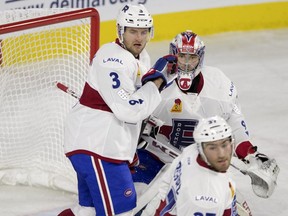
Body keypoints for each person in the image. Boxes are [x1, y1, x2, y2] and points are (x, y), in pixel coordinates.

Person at [133, 30, 279, 213]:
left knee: (236, 211)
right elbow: (133, 119)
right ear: (173, 56)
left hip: (200, 164)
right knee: (137, 201)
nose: (186, 63)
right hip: (157, 158)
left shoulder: (219, 85)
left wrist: (250, 154)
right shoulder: (158, 86)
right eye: (181, 57)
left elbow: (234, 124)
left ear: (200, 59)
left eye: (191, 57)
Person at [58, 4, 178, 216]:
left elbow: (137, 100)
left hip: (101, 145)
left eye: (144, 31)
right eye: (132, 31)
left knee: (87, 211)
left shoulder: (141, 57)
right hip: (97, 146)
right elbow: (128, 109)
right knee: (121, 211)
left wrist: (158, 82)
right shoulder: (111, 60)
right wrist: (156, 83)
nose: (138, 38)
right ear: (120, 31)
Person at [142, 116, 238, 216]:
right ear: (201, 148)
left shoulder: (191, 151)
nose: (221, 154)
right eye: (212, 148)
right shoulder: (206, 200)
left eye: (224, 144)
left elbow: (166, 182)